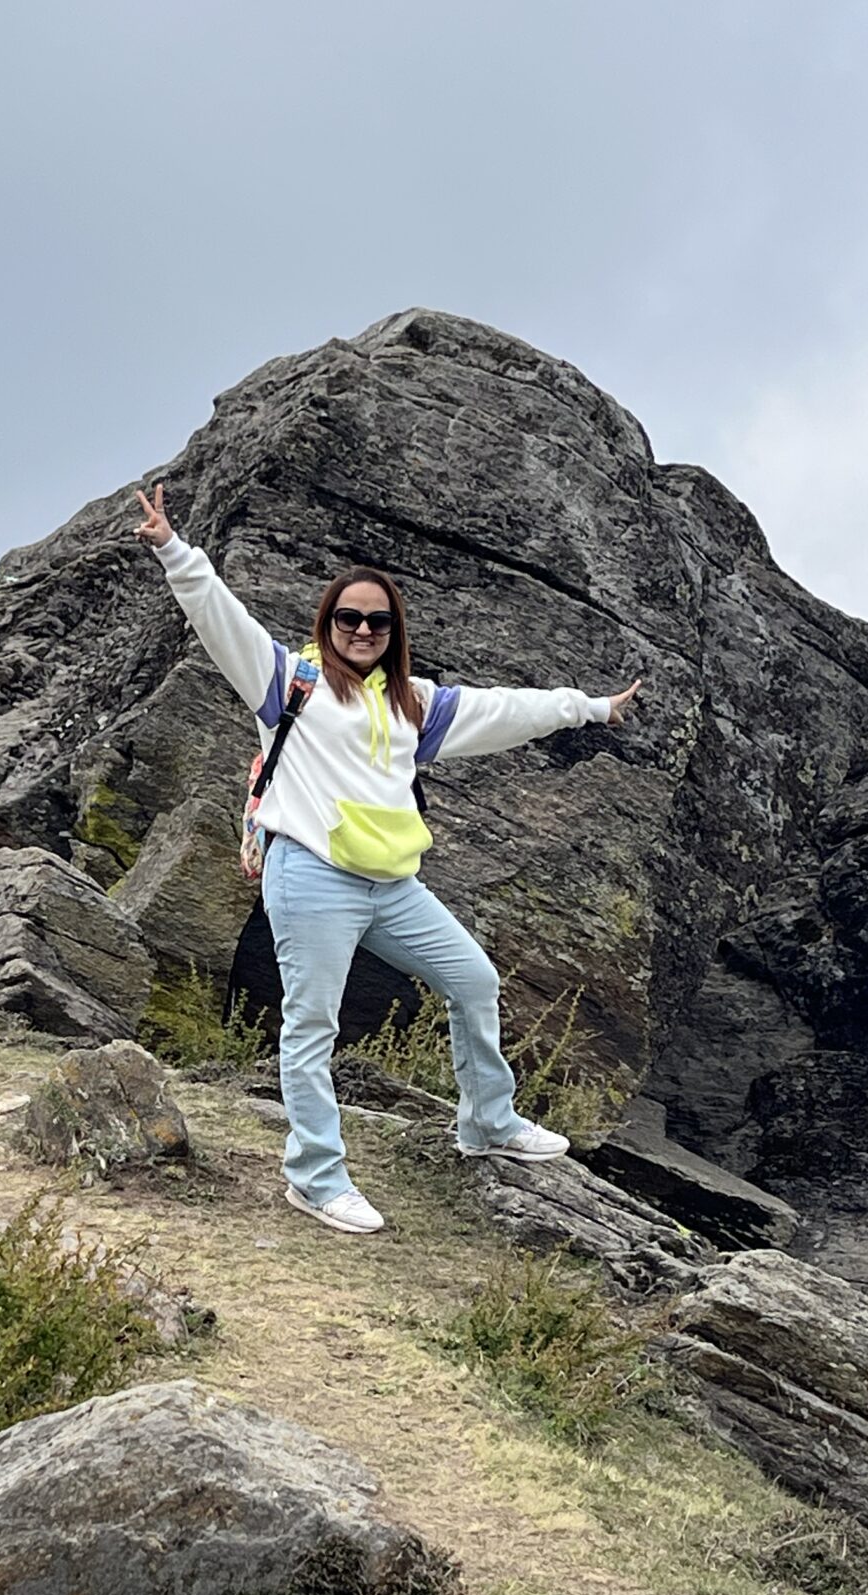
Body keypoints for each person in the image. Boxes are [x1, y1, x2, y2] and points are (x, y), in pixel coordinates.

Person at [134, 482, 641, 1235]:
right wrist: (175, 550)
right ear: (328, 623)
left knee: (474, 981)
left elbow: (505, 709)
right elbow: (221, 618)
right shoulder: (288, 684)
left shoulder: (414, 705)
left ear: (394, 629)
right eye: (349, 617)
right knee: (312, 1026)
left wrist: (590, 708)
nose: (363, 629)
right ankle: (315, 1177)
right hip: (310, 876)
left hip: (392, 885)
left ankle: (488, 1122)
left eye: (378, 620)